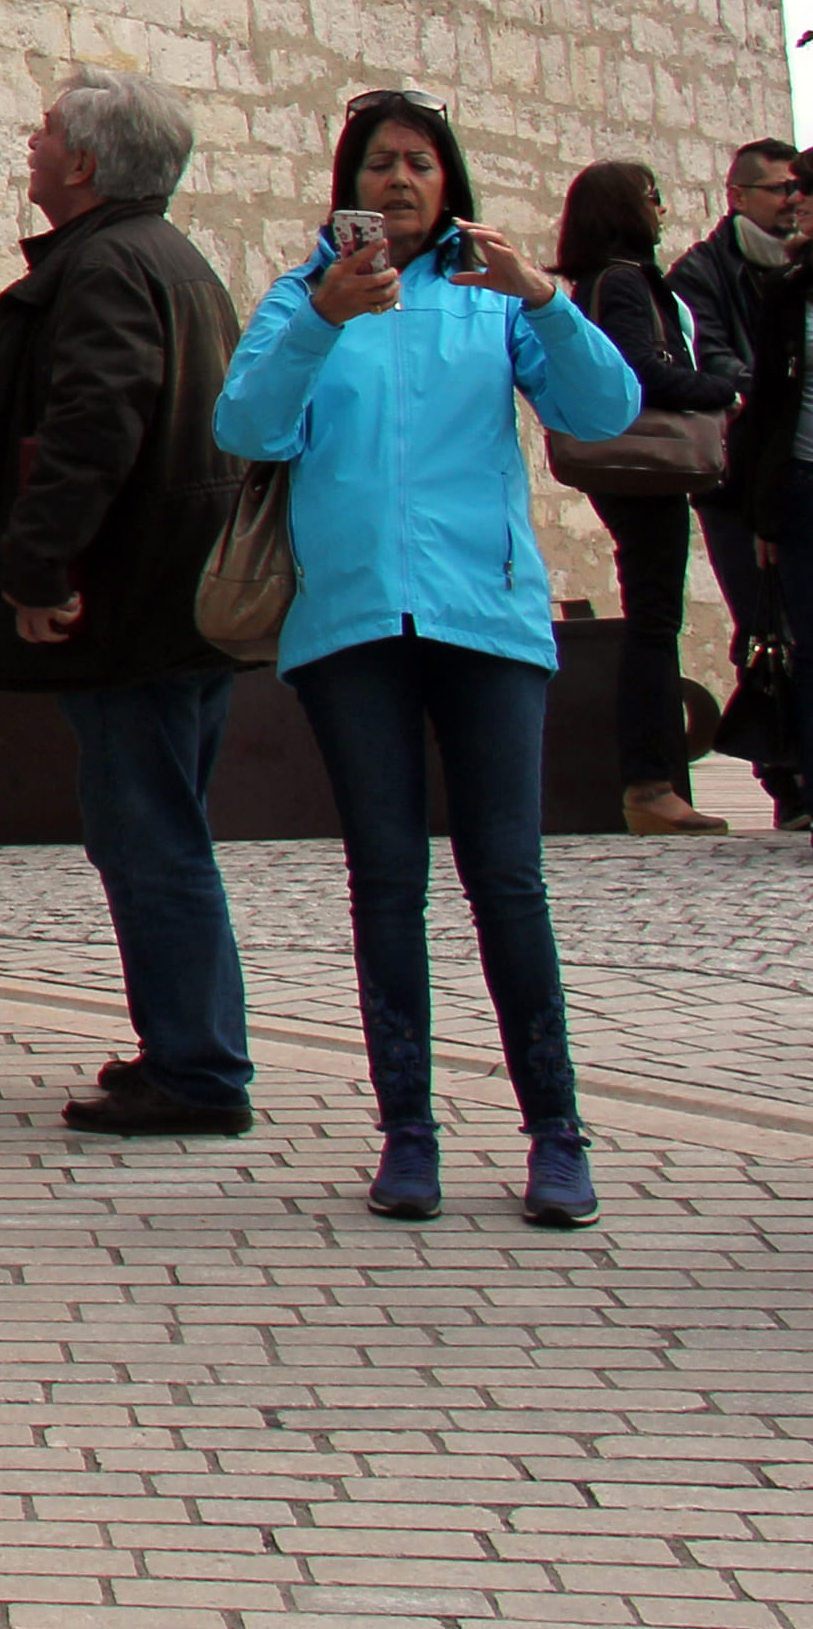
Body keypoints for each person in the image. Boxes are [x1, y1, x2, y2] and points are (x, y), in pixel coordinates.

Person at [220, 94, 636, 1229]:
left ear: (450, 183)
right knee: (387, 881)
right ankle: (409, 1132)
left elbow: (605, 410)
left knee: (506, 877)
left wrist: (545, 301)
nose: (400, 182)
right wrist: (319, 319)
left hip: (486, 623)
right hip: (352, 632)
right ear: (346, 186)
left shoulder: (489, 296)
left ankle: (556, 1131)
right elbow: (248, 428)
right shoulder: (305, 296)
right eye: (378, 164)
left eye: (420, 164)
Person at [0, 70, 251, 1139]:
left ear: (81, 163)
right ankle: (184, 1043)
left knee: (150, 835)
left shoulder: (110, 265)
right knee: (161, 828)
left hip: (133, 610)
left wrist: (38, 568)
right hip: (174, 603)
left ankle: (202, 1070)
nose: (28, 146)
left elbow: (93, 425)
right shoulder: (166, 258)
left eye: (41, 133)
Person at [556, 161, 735, 834]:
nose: (662, 209)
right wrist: (723, 390)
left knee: (653, 616)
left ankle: (654, 782)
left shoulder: (601, 282)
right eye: (653, 197)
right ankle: (650, 783)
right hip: (642, 465)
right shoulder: (623, 282)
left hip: (628, 468)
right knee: (655, 621)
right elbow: (641, 372)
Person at [668, 140, 801, 820]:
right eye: (777, 189)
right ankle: (788, 783)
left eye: (795, 190)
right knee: (765, 624)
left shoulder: (798, 268)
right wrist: (774, 390)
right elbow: (712, 359)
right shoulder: (704, 272)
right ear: (739, 196)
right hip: (737, 483)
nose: (790, 202)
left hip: (793, 470)